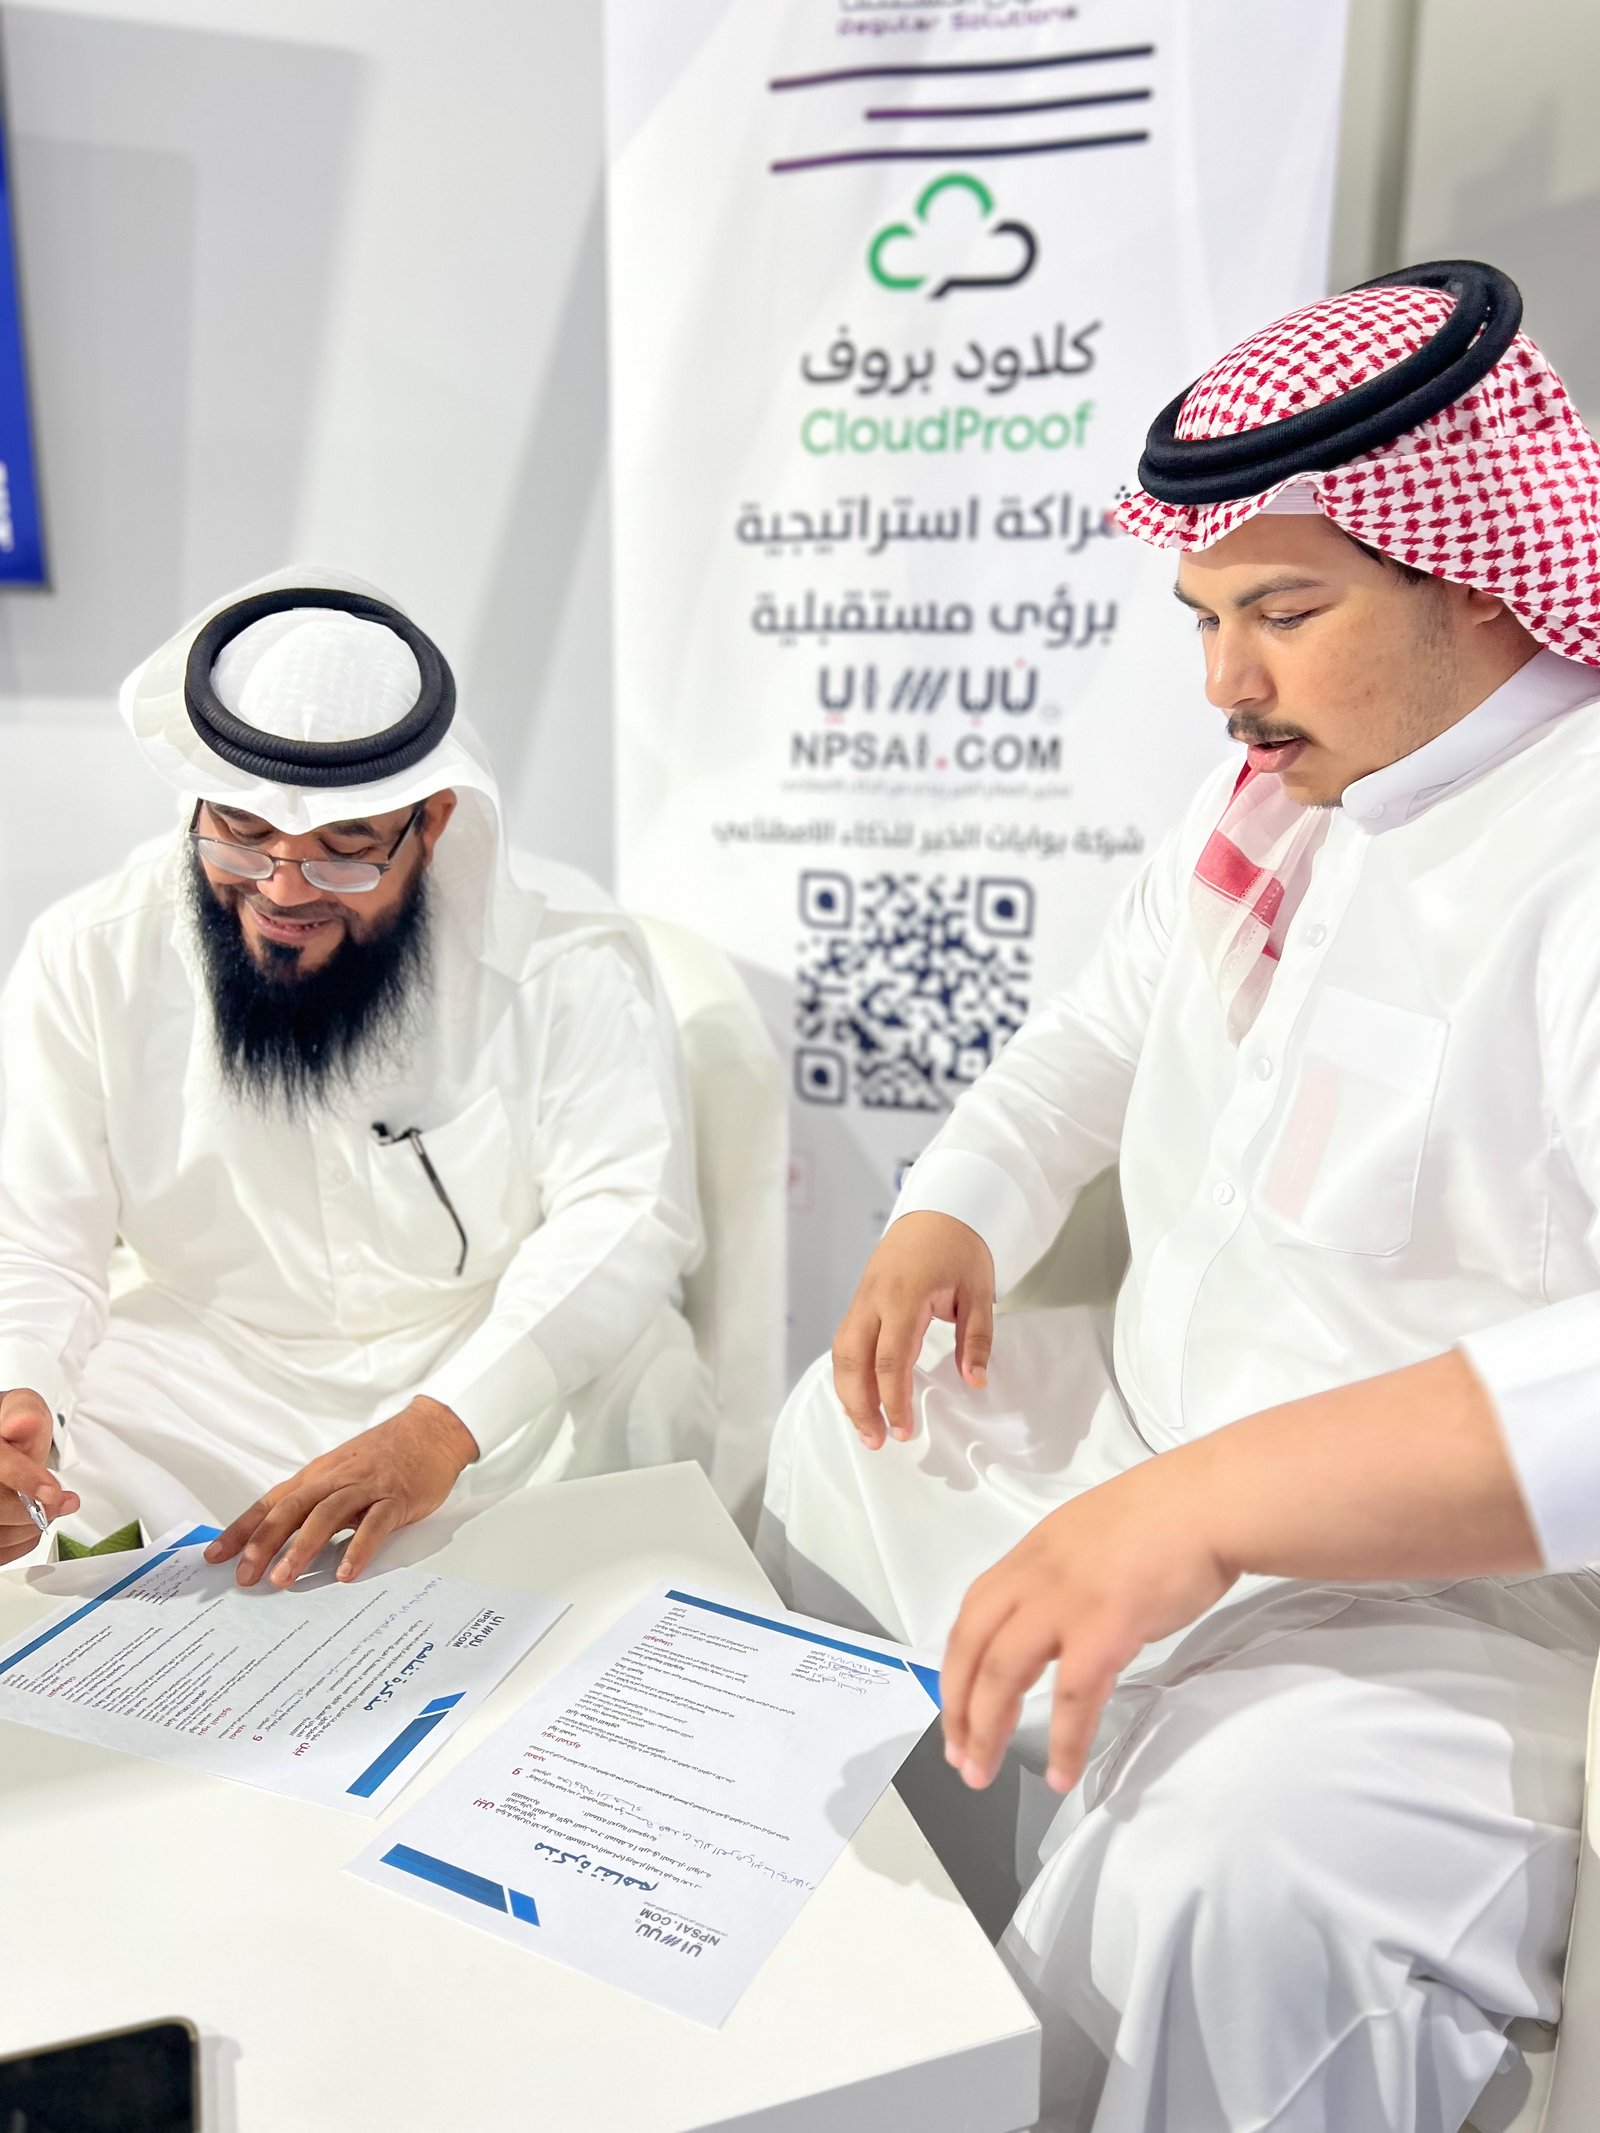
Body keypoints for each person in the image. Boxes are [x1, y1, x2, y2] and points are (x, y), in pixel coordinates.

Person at [759, 262, 1600, 2130]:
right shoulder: (1299, 788)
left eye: (1284, 611)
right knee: (843, 1427)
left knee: (1239, 1861)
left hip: (1456, 1595)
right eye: (1207, 615)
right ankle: (873, 1996)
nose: (1226, 681)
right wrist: (951, 1203)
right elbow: (1091, 1035)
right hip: (1167, 1433)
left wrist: (1206, 1512)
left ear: (1472, 567)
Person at [0, 567, 715, 1586]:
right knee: (62, 1488)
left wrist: (437, 1428)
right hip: (210, 1378)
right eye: (243, 837)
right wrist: (18, 1399)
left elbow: (627, 1212)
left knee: (645, 1389)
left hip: (482, 1367)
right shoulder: (90, 954)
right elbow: (37, 1238)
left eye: (345, 851)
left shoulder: (563, 959)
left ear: (428, 825)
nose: (283, 891)